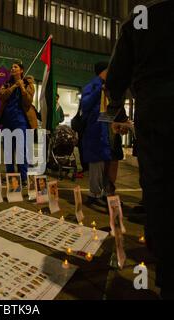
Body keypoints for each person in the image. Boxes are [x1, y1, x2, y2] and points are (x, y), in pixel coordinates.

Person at [105, 0, 174, 299]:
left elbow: (116, 79)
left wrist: (116, 116)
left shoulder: (142, 19)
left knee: (159, 189)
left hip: (156, 113)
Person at [0, 63, 37, 186]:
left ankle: (23, 177)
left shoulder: (28, 84)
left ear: (21, 70)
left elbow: (28, 101)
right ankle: (10, 176)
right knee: (8, 150)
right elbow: (2, 96)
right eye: (12, 67)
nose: (12, 69)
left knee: (21, 150)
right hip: (7, 121)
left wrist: (22, 88)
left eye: (15, 67)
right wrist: (14, 86)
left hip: (21, 121)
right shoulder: (7, 84)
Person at [81, 62, 111, 208]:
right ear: (103, 71)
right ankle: (94, 194)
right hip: (94, 131)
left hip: (103, 130)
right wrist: (100, 89)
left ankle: (101, 193)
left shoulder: (106, 87)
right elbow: (85, 104)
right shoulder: (93, 85)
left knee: (103, 163)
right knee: (95, 163)